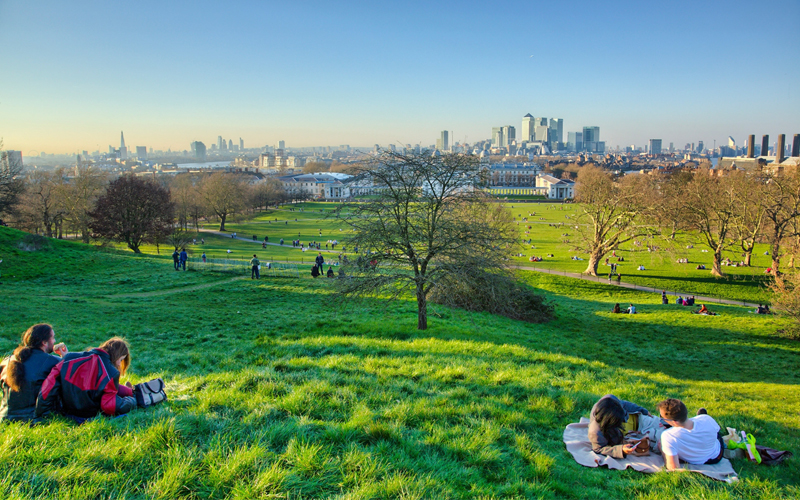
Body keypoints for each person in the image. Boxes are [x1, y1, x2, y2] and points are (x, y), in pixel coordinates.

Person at [37, 337, 136, 420]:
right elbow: (109, 406)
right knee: (111, 391)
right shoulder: (111, 372)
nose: (119, 364)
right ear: (116, 356)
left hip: (66, 412)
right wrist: (132, 401)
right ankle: (133, 393)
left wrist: (42, 415)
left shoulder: (69, 358)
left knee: (109, 388)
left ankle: (130, 390)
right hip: (88, 417)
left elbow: (47, 388)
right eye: (121, 360)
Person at [0, 324, 67, 422]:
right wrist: (65, 359)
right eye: (53, 338)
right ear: (44, 342)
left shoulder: (6, 361)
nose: (55, 341)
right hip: (33, 418)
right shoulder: (53, 362)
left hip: (4, 417)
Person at [657, 399, 724, 470]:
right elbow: (716, 430)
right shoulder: (707, 419)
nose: (662, 420)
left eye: (662, 418)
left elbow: (673, 468)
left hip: (695, 461)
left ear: (674, 421)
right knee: (715, 434)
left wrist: (662, 450)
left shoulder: (668, 436)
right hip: (716, 456)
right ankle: (699, 416)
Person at [588, 395, 661, 459]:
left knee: (662, 423)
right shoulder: (596, 432)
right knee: (661, 441)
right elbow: (599, 449)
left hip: (639, 420)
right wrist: (621, 450)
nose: (623, 422)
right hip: (629, 437)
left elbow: (625, 404)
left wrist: (643, 410)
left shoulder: (610, 401)